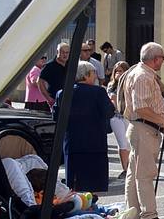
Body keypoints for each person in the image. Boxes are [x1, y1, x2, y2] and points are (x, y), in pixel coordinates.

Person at [119, 42, 164, 219]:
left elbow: (144, 105)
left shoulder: (139, 73)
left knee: (134, 174)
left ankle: (133, 217)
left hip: (140, 127)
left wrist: (162, 112)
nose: (163, 62)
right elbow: (141, 108)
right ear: (155, 58)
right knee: (145, 174)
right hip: (144, 129)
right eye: (163, 58)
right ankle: (149, 216)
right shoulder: (143, 76)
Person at [54, 60, 115, 195]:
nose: (95, 76)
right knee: (91, 187)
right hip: (94, 144)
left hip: (73, 144)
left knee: (74, 186)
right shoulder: (98, 92)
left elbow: (56, 117)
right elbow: (109, 112)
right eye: (93, 73)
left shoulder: (62, 93)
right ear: (86, 75)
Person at [105, 60, 132, 177]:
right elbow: (113, 101)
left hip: (128, 116)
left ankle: (131, 166)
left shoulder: (130, 84)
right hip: (116, 117)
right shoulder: (111, 86)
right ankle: (125, 168)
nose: (118, 73)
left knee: (129, 143)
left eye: (121, 71)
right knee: (122, 143)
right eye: (116, 71)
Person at [37, 42, 70, 109]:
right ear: (57, 52)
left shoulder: (71, 65)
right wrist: (49, 99)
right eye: (63, 52)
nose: (65, 55)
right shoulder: (49, 66)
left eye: (67, 52)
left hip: (69, 101)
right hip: (56, 101)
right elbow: (39, 81)